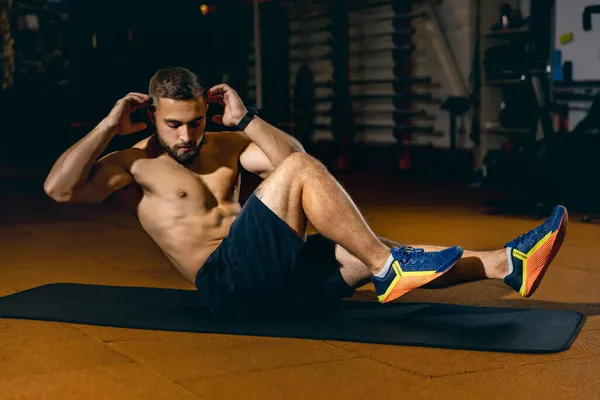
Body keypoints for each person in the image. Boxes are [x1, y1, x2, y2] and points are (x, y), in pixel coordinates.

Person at [43, 67, 568, 315]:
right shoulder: (134, 164)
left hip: (277, 271)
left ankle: (506, 265)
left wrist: (245, 118)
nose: (187, 136)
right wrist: (110, 126)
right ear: (151, 115)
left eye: (197, 122)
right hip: (227, 284)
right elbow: (58, 190)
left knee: (359, 252)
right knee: (365, 240)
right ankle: (390, 266)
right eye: (175, 124)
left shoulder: (225, 146)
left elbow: (289, 156)